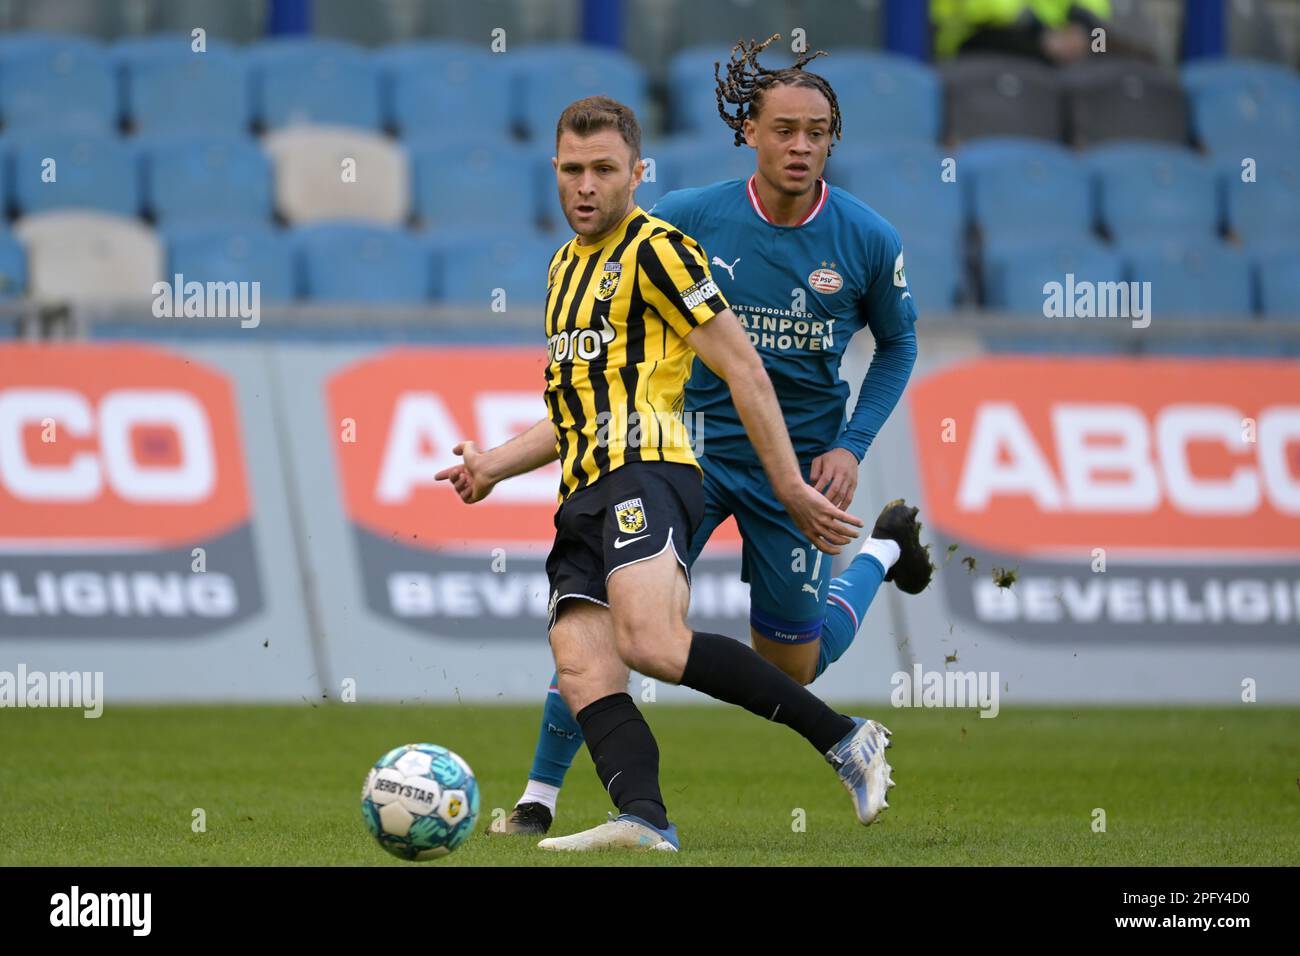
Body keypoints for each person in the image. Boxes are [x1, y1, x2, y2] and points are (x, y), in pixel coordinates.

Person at [489, 35, 934, 839]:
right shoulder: (683, 221)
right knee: (613, 626)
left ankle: (881, 557)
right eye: (785, 129)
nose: (801, 145)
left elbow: (896, 344)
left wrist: (848, 447)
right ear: (750, 135)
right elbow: (609, 351)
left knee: (789, 663)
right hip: (680, 451)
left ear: (832, 138)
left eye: (817, 131)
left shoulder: (866, 238)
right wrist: (493, 462)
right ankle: (541, 800)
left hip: (787, 460)